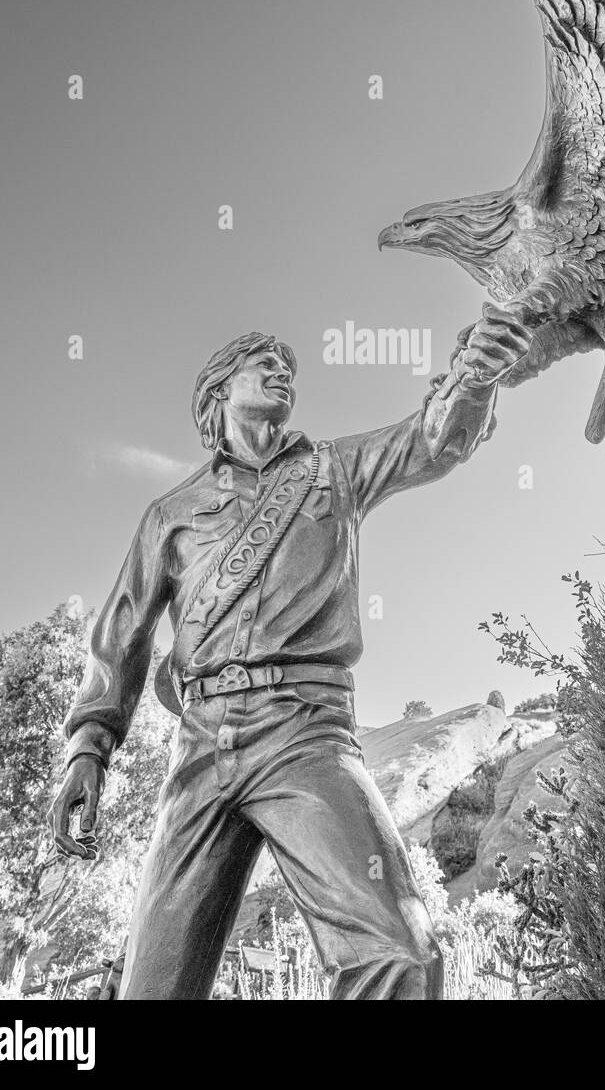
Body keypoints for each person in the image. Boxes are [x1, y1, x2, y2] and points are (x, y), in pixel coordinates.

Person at [49, 308, 532, 999]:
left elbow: (433, 440)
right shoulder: (169, 515)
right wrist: (88, 748)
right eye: (262, 363)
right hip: (199, 748)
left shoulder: (335, 470)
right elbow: (123, 632)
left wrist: (476, 375)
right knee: (151, 990)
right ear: (218, 394)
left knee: (398, 950)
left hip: (303, 729)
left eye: (288, 366)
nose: (282, 371)